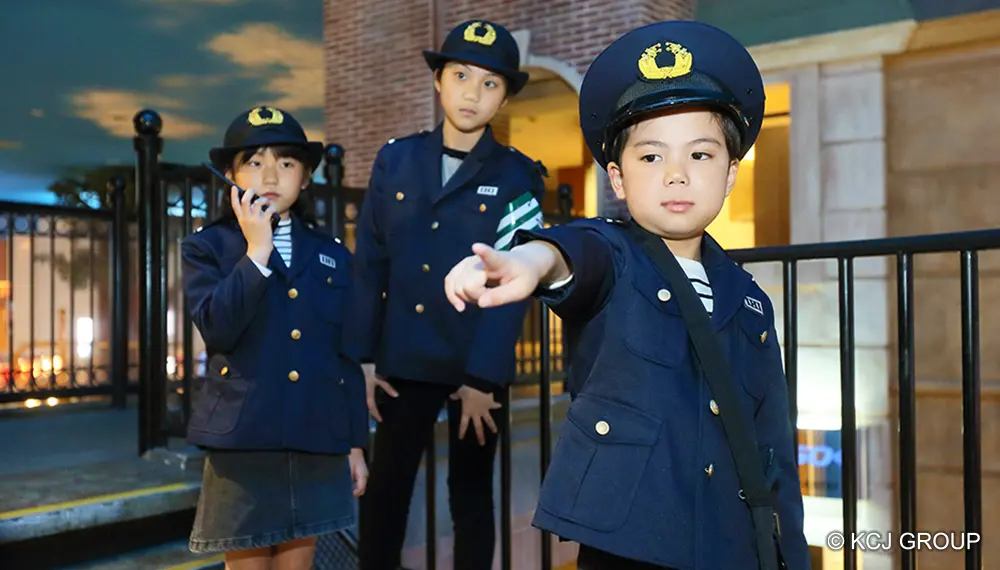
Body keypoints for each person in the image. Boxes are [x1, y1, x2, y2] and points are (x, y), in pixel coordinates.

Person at [442, 21, 811, 570]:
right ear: (617, 179)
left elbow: (774, 447)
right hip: (630, 545)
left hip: (729, 545)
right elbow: (575, 252)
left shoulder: (751, 302)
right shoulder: (614, 255)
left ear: (731, 174)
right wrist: (530, 261)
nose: (676, 176)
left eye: (700, 155)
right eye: (651, 157)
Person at [343, 19, 547, 570]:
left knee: (471, 496)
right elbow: (370, 265)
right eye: (460, 75)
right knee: (386, 492)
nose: (472, 93)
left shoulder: (519, 175)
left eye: (489, 83)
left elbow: (512, 286)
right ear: (438, 81)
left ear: (505, 97)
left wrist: (482, 379)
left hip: (472, 362)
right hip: (402, 361)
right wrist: (363, 358)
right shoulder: (396, 160)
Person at [181, 106, 369, 570]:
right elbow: (218, 327)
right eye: (254, 162)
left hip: (315, 436)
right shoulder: (207, 247)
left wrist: (354, 443)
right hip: (244, 441)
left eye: (285, 162)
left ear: (305, 178)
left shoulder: (331, 253)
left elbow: (343, 356)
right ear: (230, 176)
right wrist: (258, 251)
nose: (270, 175)